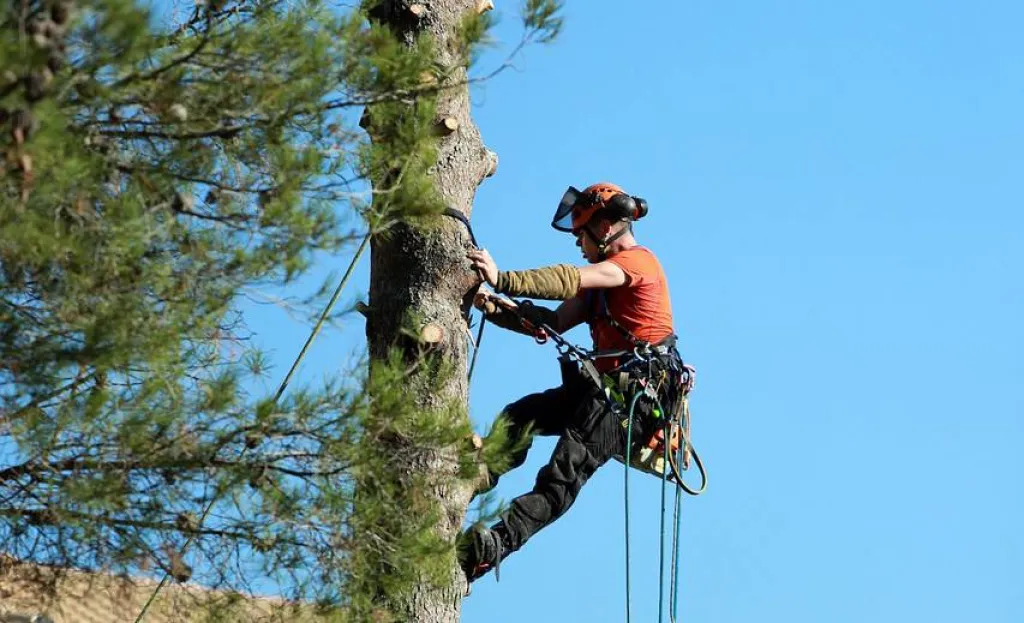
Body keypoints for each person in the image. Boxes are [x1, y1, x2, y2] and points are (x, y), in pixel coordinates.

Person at [459, 182, 688, 582]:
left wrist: (503, 279)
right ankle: (480, 472)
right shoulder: (600, 290)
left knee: (563, 472)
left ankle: (496, 545)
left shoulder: (637, 264)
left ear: (604, 229)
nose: (578, 243)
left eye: (581, 233)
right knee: (521, 415)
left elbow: (568, 279)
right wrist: (493, 306)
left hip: (632, 400)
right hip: (603, 391)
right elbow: (551, 321)